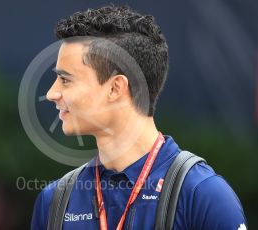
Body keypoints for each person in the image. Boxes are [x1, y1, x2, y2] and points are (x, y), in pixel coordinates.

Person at [31, 5, 247, 230]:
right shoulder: (55, 200)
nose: (51, 94)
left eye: (65, 80)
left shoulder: (202, 194)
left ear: (115, 88)